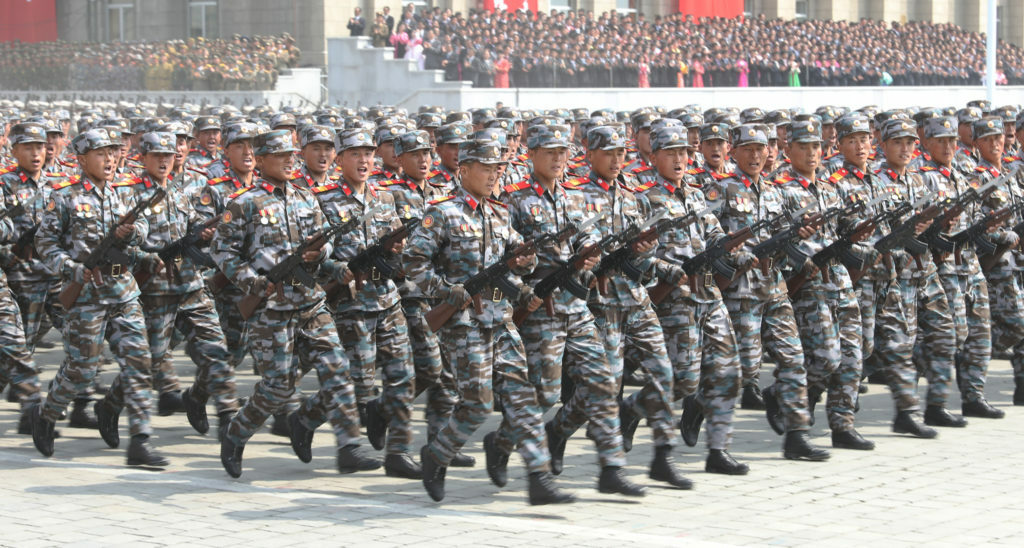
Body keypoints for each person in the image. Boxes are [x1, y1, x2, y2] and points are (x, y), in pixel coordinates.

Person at [403, 133, 575, 506]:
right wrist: (445, 289)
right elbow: (412, 264)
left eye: (498, 168)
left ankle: (539, 477)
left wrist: (524, 268)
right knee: (477, 404)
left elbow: (510, 262)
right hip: (464, 324)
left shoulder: (498, 212)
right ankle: (437, 454)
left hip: (501, 320)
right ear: (464, 170)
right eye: (486, 168)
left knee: (523, 398)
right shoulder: (442, 212)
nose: (494, 175)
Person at [211, 129, 381, 478]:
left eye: (292, 155)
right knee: (277, 387)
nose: (290, 160)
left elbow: (323, 246)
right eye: (280, 156)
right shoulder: (244, 202)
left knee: (338, 368)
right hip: (271, 307)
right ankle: (237, 433)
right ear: (260, 161)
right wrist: (251, 280)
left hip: (311, 302)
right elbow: (221, 250)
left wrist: (329, 260)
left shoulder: (307, 196)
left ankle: (349, 446)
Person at [499, 123, 645, 495]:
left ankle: (611, 468)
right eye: (550, 152)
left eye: (563, 152)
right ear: (531, 155)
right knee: (544, 394)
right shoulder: (513, 199)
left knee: (603, 383)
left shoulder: (576, 196)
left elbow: (588, 236)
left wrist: (590, 256)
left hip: (577, 305)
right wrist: (527, 280)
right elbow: (504, 257)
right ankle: (501, 442)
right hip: (541, 307)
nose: (558, 159)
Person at [30, 128, 167, 467]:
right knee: (82, 368)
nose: (109, 159)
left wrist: (131, 232)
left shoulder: (125, 191)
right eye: (101, 154)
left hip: (123, 292)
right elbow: (45, 244)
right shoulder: (64, 196)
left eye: (112, 153)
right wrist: (73, 269)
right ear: (81, 158)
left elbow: (145, 232)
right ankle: (47, 414)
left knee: (139, 363)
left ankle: (140, 440)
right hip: (87, 295)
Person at [306, 127, 420, 479]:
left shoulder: (384, 198)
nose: (364, 160)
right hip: (351, 304)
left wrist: (399, 251)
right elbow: (311, 255)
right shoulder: (322, 200)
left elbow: (400, 246)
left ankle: (398, 452)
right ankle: (308, 419)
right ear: (340, 160)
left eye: (369, 153)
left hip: (387, 300)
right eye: (355, 153)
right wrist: (335, 268)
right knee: (358, 384)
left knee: (403, 378)